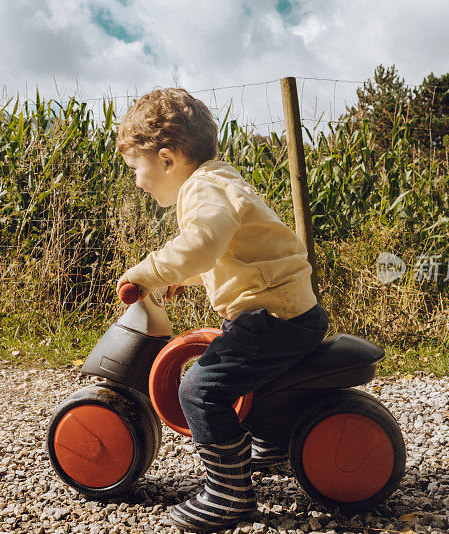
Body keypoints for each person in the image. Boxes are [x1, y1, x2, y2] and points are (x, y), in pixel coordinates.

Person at [114, 87, 329, 532]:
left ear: (167, 158)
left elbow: (201, 244)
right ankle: (275, 443)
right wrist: (181, 277)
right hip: (286, 311)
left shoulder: (202, 189)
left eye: (136, 167)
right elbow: (224, 254)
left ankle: (229, 495)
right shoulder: (220, 179)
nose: (137, 180)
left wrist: (146, 273)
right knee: (248, 374)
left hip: (270, 318)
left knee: (199, 390)